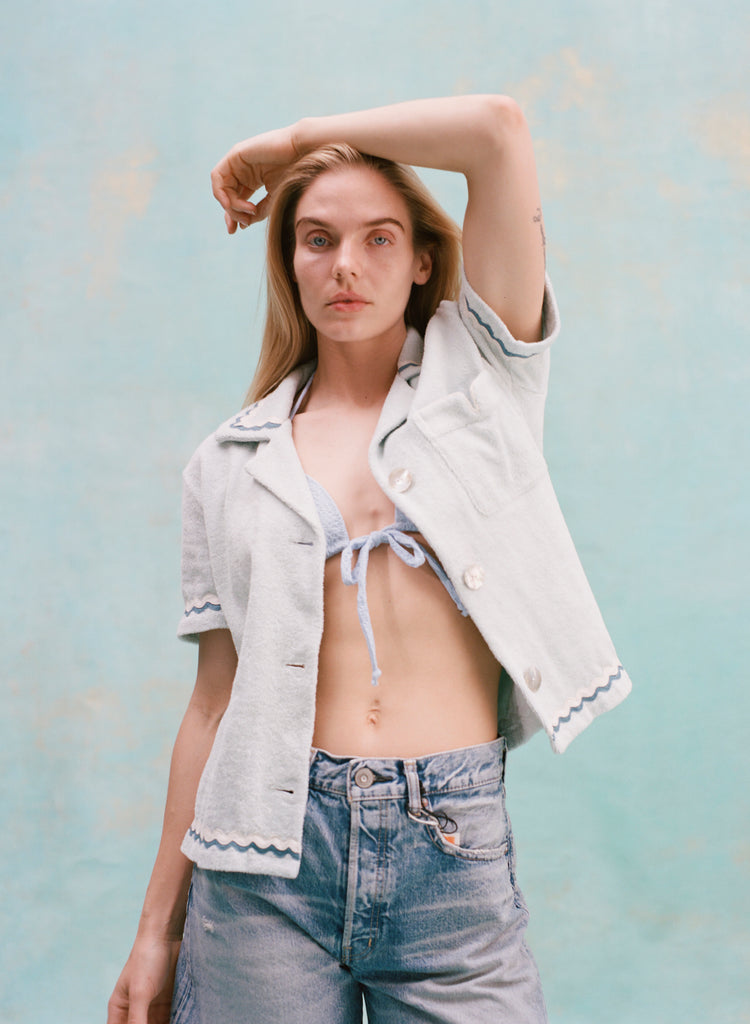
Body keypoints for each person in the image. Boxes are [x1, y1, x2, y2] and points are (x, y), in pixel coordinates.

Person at [107, 95, 631, 1024]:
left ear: (425, 258)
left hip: (450, 847)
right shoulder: (228, 464)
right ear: (289, 262)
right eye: (316, 239)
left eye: (379, 238)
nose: (345, 264)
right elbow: (213, 703)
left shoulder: (486, 383)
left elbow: (497, 132)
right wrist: (158, 930)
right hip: (264, 861)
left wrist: (293, 144)